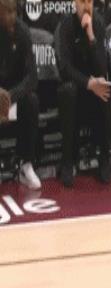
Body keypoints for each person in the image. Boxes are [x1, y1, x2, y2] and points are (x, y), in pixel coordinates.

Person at [57, 0, 111, 187]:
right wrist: (88, 83)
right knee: (68, 90)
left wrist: (91, 36)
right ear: (75, 3)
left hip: (92, 94)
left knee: (104, 88)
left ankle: (105, 157)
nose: (87, 6)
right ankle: (67, 161)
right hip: (75, 91)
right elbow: (64, 68)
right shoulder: (65, 26)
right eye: (82, 1)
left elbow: (102, 68)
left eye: (89, 1)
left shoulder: (98, 24)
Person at [0, 0, 41, 189]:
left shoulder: (23, 32)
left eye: (13, 12)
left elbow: (32, 77)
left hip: (12, 95)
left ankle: (26, 165)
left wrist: (9, 97)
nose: (11, 17)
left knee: (32, 101)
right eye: (6, 12)